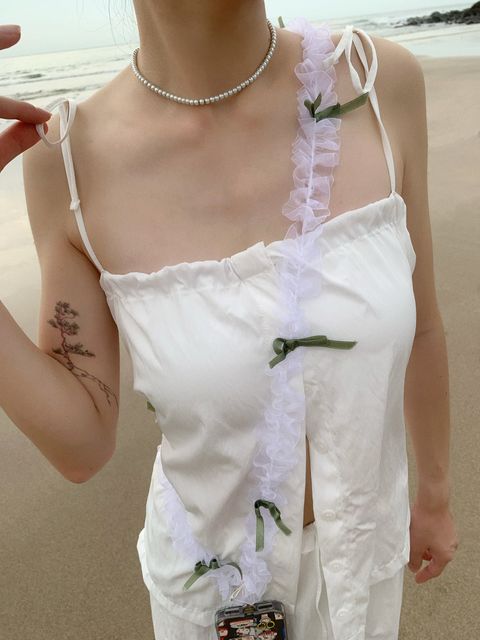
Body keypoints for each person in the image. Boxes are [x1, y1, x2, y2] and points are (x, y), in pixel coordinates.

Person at [1, 2, 459, 639]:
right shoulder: (66, 161)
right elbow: (80, 445)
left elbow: (425, 323)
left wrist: (434, 493)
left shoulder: (377, 83)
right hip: (206, 596)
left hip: (365, 563)